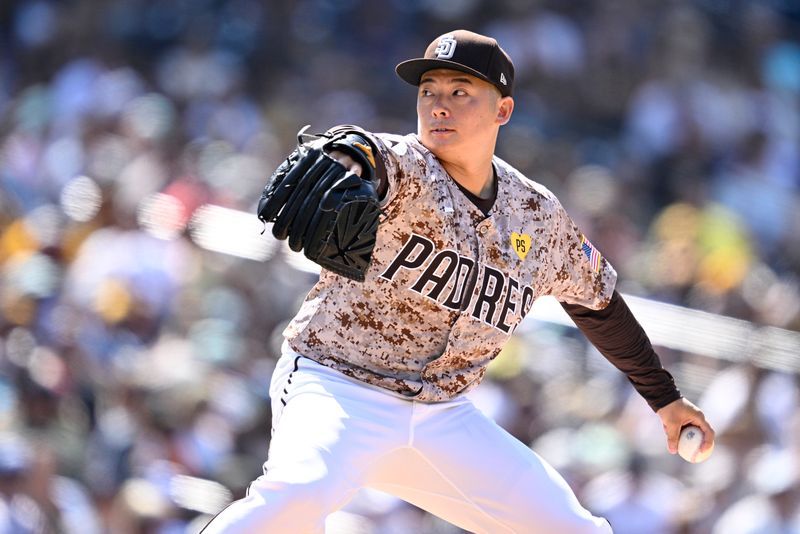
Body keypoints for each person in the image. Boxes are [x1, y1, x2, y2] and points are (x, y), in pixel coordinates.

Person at [202, 29, 715, 533]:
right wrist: (348, 158)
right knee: (299, 495)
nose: (438, 105)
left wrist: (664, 399)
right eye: (428, 92)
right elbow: (368, 152)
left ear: (503, 111)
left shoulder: (535, 214)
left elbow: (597, 303)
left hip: (442, 415)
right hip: (338, 385)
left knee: (574, 528)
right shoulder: (410, 169)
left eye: (459, 92)